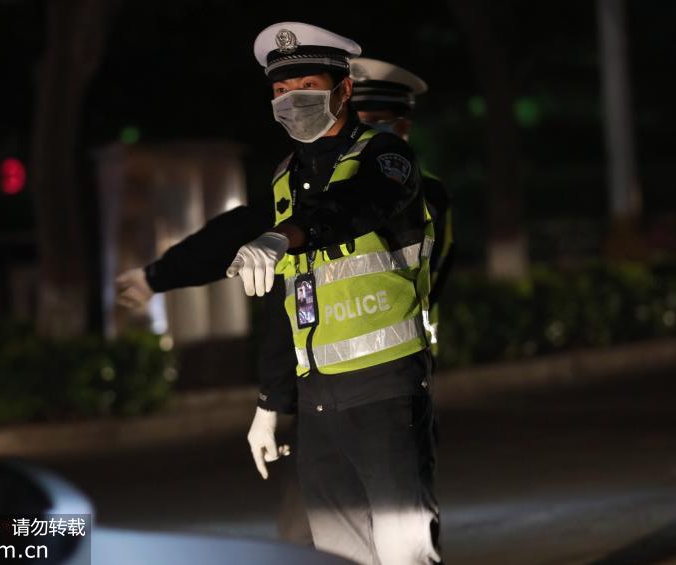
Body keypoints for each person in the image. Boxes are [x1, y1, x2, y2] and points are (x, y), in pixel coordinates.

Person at [117, 21, 442, 565]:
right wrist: (270, 404)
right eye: (280, 93)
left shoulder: (386, 158)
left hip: (385, 391)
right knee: (339, 555)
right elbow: (271, 288)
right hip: (318, 404)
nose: (292, 102)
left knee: (404, 552)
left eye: (306, 88)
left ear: (343, 90)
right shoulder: (285, 179)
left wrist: (279, 237)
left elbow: (350, 208)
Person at [350, 57, 455, 359]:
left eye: (374, 121)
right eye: (356, 123)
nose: (363, 133)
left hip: (405, 353)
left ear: (403, 126)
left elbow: (436, 270)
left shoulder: (428, 191)